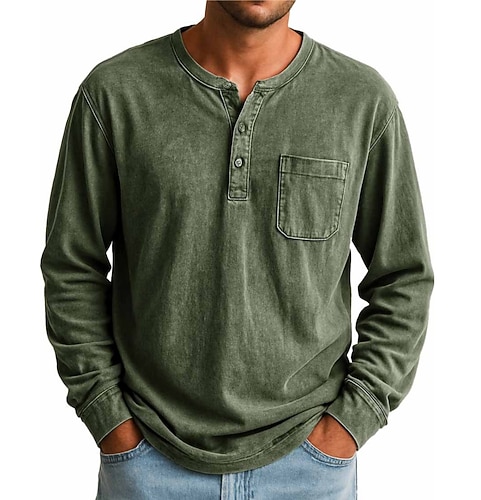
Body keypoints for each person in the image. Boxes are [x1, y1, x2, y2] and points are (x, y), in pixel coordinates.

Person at [40, 1, 434, 498]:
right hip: (149, 461)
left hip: (309, 468)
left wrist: (351, 422)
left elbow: (403, 276)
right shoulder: (116, 93)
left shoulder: (361, 101)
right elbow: (72, 265)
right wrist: (108, 416)